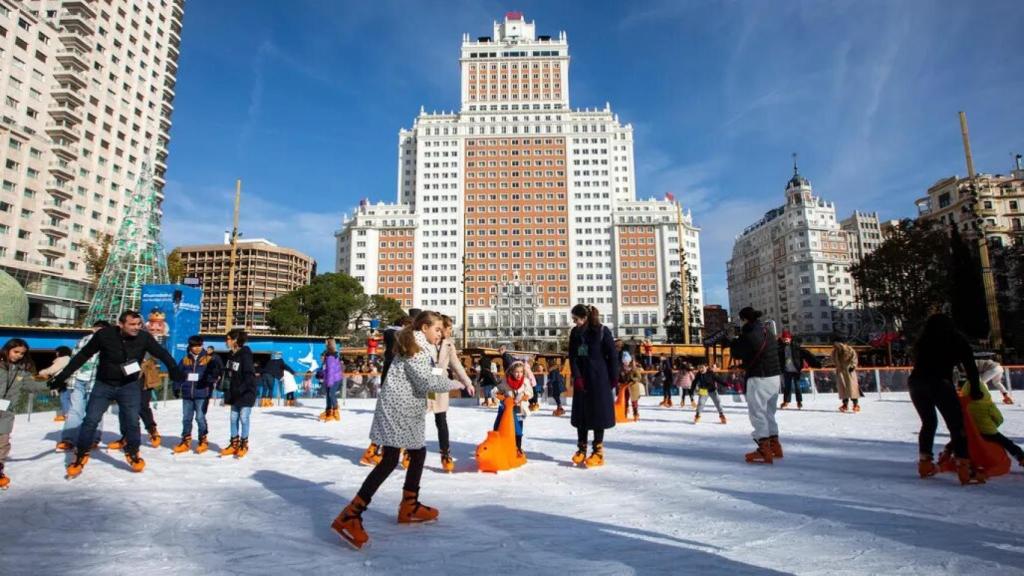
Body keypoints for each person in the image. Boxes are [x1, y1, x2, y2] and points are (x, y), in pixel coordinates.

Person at [330, 311, 472, 550]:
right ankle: (351, 515)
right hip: (398, 410)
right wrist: (456, 383)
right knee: (389, 460)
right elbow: (426, 382)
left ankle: (410, 504)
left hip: (407, 409)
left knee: (418, 453)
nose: (441, 334)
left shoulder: (417, 343)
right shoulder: (416, 347)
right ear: (425, 327)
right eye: (437, 330)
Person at [54, 311, 184, 478]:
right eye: (132, 324)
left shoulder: (144, 338)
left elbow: (162, 353)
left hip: (129, 385)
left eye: (138, 324)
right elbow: (83, 355)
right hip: (104, 385)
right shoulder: (104, 335)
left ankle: (132, 452)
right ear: (121, 324)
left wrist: (174, 369)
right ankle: (80, 455)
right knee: (90, 420)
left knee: (131, 421)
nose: (136, 328)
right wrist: (63, 377)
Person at [909, 313, 984, 484]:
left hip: (916, 382)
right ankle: (965, 468)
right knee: (956, 425)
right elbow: (971, 367)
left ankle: (925, 463)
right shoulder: (956, 339)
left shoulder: (923, 341)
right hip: (939, 382)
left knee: (928, 423)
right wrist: (976, 389)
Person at [568, 304, 619, 468]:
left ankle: (597, 451)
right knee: (582, 415)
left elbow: (612, 356)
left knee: (597, 415)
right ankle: (581, 448)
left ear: (585, 318)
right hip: (582, 379)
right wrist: (577, 376)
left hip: (599, 379)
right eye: (573, 319)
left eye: (576, 319)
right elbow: (573, 357)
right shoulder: (575, 333)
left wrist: (613, 379)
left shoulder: (602, 331)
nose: (575, 323)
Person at [730, 307, 782, 465]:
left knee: (757, 413)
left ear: (744, 319)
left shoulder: (749, 334)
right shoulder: (767, 331)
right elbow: (760, 352)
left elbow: (738, 353)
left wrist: (733, 341)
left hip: (759, 377)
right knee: (769, 412)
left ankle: (764, 449)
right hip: (775, 376)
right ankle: (775, 445)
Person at [427, 315, 474, 472]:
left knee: (441, 419)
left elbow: (457, 366)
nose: (450, 332)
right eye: (449, 329)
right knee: (417, 417)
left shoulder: (448, 345)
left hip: (439, 385)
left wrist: (467, 382)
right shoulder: (426, 342)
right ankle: (407, 450)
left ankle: (445, 453)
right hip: (425, 384)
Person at [56, 321, 111, 452]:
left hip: (97, 382)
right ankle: (68, 439)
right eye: (96, 330)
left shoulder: (110, 344)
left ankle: (93, 439)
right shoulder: (82, 341)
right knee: (75, 410)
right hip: (79, 380)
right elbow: (74, 360)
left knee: (95, 412)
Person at [0, 338, 43, 489]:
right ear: (7, 349)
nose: (18, 355)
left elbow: (32, 386)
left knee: (3, 442)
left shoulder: (21, 370)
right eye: (16, 351)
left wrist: (52, 385)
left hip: (6, 411)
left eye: (22, 353)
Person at [961, 376, 1024, 468]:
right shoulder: (988, 405)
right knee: (1007, 443)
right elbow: (999, 419)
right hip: (988, 432)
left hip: (969, 433)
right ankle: (1021, 457)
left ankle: (950, 453)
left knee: (957, 441)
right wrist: (992, 426)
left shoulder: (963, 405)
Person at [171, 336, 220, 454]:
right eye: (195, 346)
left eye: (200, 346)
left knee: (200, 417)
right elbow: (178, 375)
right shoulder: (185, 360)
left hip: (202, 393)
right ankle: (185, 440)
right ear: (190, 346)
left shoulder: (208, 359)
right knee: (186, 418)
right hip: (187, 393)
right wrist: (176, 387)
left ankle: (203, 439)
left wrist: (210, 379)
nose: (197, 348)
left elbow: (216, 372)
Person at [219, 328, 256, 459]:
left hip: (246, 393)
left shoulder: (245, 355)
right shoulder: (231, 355)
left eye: (228, 339)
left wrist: (241, 390)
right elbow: (228, 373)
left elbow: (249, 376)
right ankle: (234, 443)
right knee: (233, 418)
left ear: (235, 340)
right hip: (234, 393)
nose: (226, 341)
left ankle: (244, 444)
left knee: (243, 417)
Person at [493, 360, 532, 456]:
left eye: (521, 372)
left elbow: (530, 393)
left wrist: (525, 396)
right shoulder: (505, 381)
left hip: (519, 409)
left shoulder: (525, 381)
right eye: (517, 372)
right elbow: (495, 390)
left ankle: (518, 447)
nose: (519, 374)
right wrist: (499, 396)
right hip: (507, 409)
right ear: (511, 371)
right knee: (503, 427)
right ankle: (501, 446)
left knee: (518, 428)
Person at [778, 331, 820, 409]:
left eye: (787, 339)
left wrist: (816, 363)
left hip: (795, 370)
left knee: (797, 386)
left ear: (790, 339)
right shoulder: (780, 348)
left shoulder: (796, 347)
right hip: (787, 370)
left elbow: (807, 354)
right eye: (784, 339)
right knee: (787, 387)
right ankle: (786, 401)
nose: (785, 340)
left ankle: (799, 402)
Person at [39, 346, 72, 422]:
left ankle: (66, 414)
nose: (56, 353)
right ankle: (69, 414)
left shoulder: (63, 359)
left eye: (57, 352)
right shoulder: (69, 359)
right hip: (68, 381)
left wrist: (41, 372)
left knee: (64, 398)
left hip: (64, 381)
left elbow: (52, 369)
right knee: (68, 398)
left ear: (62, 352)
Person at [830, 339, 860, 413]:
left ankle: (855, 404)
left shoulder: (849, 349)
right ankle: (845, 404)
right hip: (840, 371)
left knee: (852, 388)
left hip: (849, 371)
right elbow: (832, 359)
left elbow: (854, 358)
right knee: (842, 389)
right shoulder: (835, 352)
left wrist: (853, 366)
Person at [319, 339, 343, 422]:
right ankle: (328, 411)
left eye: (325, 343)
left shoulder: (331, 356)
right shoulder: (327, 355)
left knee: (331, 394)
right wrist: (320, 374)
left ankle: (335, 412)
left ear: (329, 345)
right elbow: (325, 369)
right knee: (328, 395)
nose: (324, 345)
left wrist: (329, 382)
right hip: (329, 379)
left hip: (334, 379)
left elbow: (331, 371)